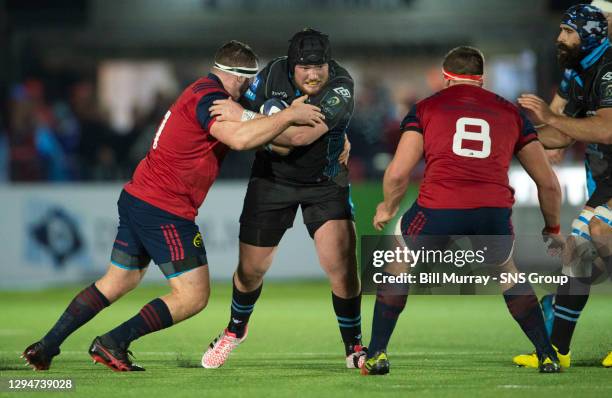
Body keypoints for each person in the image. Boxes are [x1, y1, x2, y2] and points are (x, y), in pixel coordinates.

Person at [21, 40, 324, 372]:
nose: (250, 87)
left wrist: (266, 123)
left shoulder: (201, 91)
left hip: (140, 197)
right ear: (236, 76)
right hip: (165, 208)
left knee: (115, 282)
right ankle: (113, 342)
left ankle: (46, 346)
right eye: (248, 80)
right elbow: (240, 139)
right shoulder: (210, 99)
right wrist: (291, 115)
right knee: (192, 296)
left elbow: (260, 136)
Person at [360, 46, 564, 375]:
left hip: (439, 208)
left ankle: (378, 352)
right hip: (492, 212)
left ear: (445, 78)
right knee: (508, 273)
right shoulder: (511, 113)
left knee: (398, 257)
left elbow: (398, 173)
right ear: (481, 80)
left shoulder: (426, 107)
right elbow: (548, 183)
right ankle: (547, 354)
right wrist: (552, 228)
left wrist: (388, 207)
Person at [201, 29, 365, 369]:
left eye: (319, 65)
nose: (313, 73)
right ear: (291, 66)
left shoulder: (340, 86)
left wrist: (252, 119)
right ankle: (235, 330)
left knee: (343, 269)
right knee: (250, 271)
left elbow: (299, 137)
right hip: (272, 180)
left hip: (326, 181)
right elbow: (235, 102)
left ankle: (354, 346)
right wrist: (262, 121)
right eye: (305, 66)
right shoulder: (270, 74)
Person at [513, 3, 612, 369]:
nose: (560, 38)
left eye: (569, 31)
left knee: (600, 232)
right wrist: (515, 137)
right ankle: (558, 350)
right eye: (561, 30)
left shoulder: (608, 70)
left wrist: (551, 116)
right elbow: (562, 135)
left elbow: (606, 129)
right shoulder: (580, 70)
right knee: (578, 252)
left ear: (589, 35)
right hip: (607, 180)